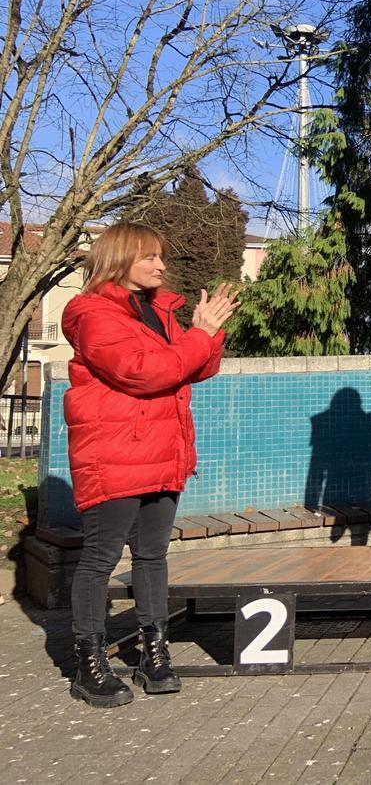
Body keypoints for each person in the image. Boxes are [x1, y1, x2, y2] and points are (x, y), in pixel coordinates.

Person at [61, 222, 238, 707]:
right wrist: (198, 335)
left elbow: (195, 366)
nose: (162, 266)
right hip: (114, 453)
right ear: (120, 259)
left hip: (163, 448)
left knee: (153, 555)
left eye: (161, 257)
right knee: (100, 559)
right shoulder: (93, 313)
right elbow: (143, 373)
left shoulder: (158, 310)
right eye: (151, 258)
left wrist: (208, 332)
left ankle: (153, 652)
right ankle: (88, 662)